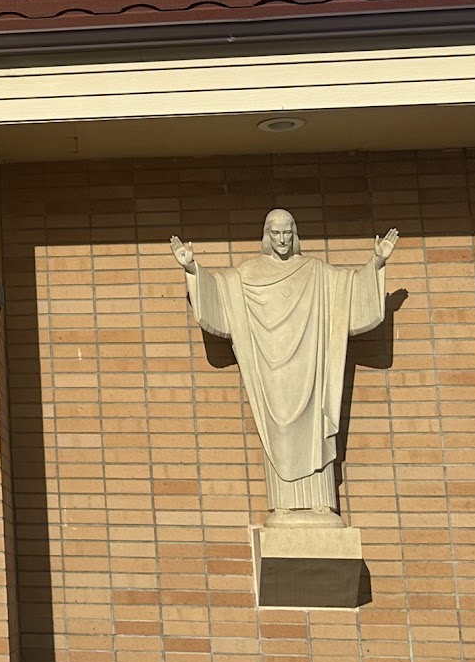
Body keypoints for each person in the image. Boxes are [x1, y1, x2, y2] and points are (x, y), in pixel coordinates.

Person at [170, 210, 397, 521]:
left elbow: (349, 291)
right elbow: (223, 292)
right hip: (272, 370)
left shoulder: (315, 270)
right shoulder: (250, 272)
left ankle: (321, 504)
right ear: (267, 235)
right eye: (276, 233)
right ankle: (283, 505)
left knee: (315, 430)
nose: (282, 240)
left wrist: (377, 263)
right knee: (281, 434)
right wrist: (192, 268)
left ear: (295, 234)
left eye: (288, 233)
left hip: (311, 367)